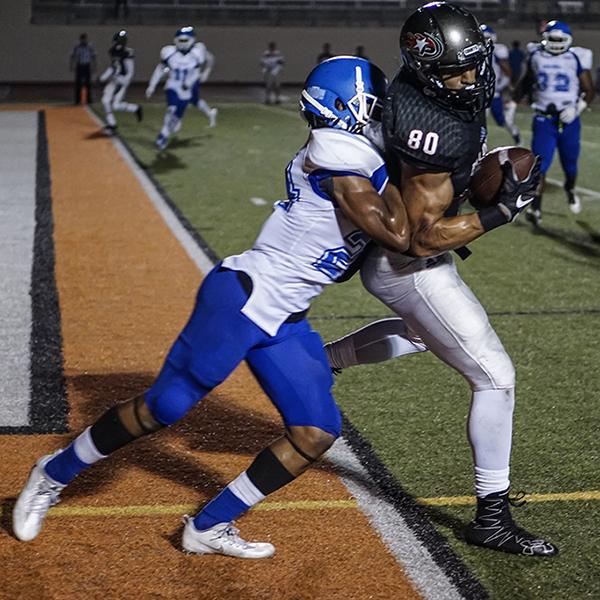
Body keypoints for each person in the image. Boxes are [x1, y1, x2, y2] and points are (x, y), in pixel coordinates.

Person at [12, 56, 411, 558]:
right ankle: (53, 473)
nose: (381, 116)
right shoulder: (337, 150)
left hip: (284, 317)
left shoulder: (360, 154)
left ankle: (208, 526)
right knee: (164, 407)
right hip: (242, 298)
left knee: (315, 430)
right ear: (344, 109)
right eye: (372, 106)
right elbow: (399, 234)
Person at [326, 2, 558, 557]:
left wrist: (484, 173)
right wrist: (499, 212)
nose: (471, 77)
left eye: (474, 64)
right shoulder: (430, 127)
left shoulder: (430, 85)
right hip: (407, 265)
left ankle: (322, 359)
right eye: (457, 70)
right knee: (496, 378)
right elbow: (420, 239)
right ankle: (492, 516)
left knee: (419, 335)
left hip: (398, 259)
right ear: (428, 68)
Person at [512, 20, 595, 226]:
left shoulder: (576, 57)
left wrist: (577, 108)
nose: (556, 43)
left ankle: (570, 189)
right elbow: (527, 80)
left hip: (569, 120)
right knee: (539, 166)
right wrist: (514, 99)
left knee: (570, 167)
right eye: (553, 38)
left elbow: (590, 90)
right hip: (543, 119)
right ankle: (536, 208)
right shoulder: (536, 55)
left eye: (560, 39)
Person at [146, 26, 218, 152]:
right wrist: (152, 85)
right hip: (173, 85)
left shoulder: (197, 53)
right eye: (181, 40)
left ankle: (164, 134)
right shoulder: (169, 52)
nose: (183, 43)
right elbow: (159, 70)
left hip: (186, 90)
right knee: (171, 109)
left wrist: (193, 80)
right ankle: (161, 138)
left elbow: (196, 72)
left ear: (192, 40)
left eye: (185, 40)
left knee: (175, 122)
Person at [480, 24, 521, 144]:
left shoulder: (497, 50)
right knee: (479, 122)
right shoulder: (473, 50)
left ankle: (516, 135)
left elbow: (507, 71)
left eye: (486, 38)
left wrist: (501, 85)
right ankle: (480, 146)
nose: (484, 40)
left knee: (502, 121)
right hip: (479, 92)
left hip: (493, 93)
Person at [99, 30, 142, 135]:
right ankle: (112, 124)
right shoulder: (113, 51)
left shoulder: (127, 53)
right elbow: (113, 66)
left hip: (121, 81)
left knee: (114, 105)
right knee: (106, 101)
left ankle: (135, 109)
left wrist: (124, 83)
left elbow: (130, 71)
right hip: (114, 79)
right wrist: (103, 77)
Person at [70, 33, 96, 105]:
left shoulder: (90, 46)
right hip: (80, 65)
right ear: (80, 40)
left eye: (84, 39)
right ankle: (77, 100)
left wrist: (94, 66)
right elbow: (72, 56)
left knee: (88, 83)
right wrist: (72, 65)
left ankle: (89, 100)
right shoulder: (77, 47)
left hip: (87, 65)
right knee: (78, 84)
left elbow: (93, 56)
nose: (83, 41)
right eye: (82, 39)